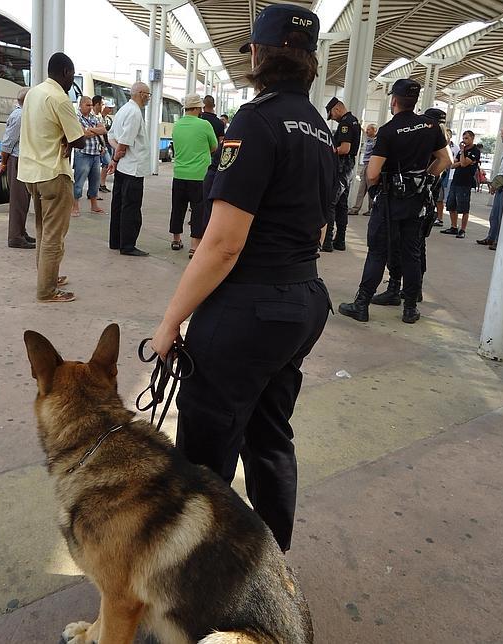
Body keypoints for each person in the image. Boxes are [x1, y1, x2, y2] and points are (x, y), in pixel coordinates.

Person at [151, 4, 335, 553]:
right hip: (302, 301)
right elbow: (321, 229)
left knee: (204, 456)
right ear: (310, 61)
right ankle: (272, 565)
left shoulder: (254, 122)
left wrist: (169, 322)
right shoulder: (322, 131)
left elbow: (224, 243)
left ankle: (199, 582)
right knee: (270, 436)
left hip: (249, 309)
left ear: (257, 54)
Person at [338, 78, 451, 324]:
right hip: (416, 202)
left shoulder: (388, 131)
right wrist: (421, 178)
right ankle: (410, 308)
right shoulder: (430, 126)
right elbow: (445, 161)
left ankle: (362, 304)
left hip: (389, 202)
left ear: (394, 101)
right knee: (411, 252)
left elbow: (372, 173)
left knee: (378, 252)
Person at [18, 52, 85, 303]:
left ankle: (47, 276)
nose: (71, 82)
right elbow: (78, 138)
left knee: (42, 229)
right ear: (66, 72)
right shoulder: (59, 98)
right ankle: (46, 290)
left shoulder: (33, 93)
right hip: (53, 174)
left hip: (30, 174)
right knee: (54, 236)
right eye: (72, 76)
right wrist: (72, 137)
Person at [371, 107, 449, 306]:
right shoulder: (437, 137)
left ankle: (396, 289)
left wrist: (423, 179)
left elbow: (373, 173)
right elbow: (446, 160)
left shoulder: (423, 136)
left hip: (409, 200)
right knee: (415, 250)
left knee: (398, 247)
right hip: (422, 201)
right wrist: (426, 180)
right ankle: (412, 294)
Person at [169, 93, 218, 256]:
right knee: (198, 210)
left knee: (177, 208)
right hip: (199, 175)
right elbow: (214, 146)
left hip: (179, 174)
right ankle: (194, 246)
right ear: (198, 108)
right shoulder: (204, 125)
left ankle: (176, 239)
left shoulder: (177, 125)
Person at [106, 82, 151, 256]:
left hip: (124, 167)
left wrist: (116, 157)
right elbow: (125, 141)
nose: (148, 97)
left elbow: (111, 137)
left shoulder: (123, 110)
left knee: (118, 204)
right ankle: (128, 245)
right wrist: (117, 156)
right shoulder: (134, 112)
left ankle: (115, 241)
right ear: (140, 94)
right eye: (148, 94)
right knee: (131, 207)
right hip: (133, 167)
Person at [321, 96, 361, 251]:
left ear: (337, 109)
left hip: (342, 167)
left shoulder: (345, 123)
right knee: (342, 205)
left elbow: (345, 148)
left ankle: (328, 241)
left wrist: (330, 150)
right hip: (349, 168)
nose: (333, 119)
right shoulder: (354, 120)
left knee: (331, 203)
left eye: (332, 115)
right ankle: (340, 240)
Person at [0, 87, 34, 249]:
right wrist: (3, 162)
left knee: (24, 199)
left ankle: (21, 232)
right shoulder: (19, 116)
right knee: (18, 200)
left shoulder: (24, 115)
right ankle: (15, 237)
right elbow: (7, 143)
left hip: (22, 159)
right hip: (17, 160)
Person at [476, 125, 503, 251]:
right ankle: (491, 237)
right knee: (494, 215)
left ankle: (499, 240)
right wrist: (495, 183)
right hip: (501, 184)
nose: (501, 136)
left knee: (501, 216)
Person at [440, 129, 480, 239]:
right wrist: (461, 161)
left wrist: (462, 153)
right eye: (463, 138)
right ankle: (453, 227)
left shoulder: (475, 151)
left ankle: (463, 229)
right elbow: (453, 165)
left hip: (465, 182)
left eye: (467, 138)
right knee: (451, 205)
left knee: (463, 207)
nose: (464, 140)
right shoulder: (462, 151)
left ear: (472, 138)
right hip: (456, 180)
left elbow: (462, 163)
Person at [72, 95, 107, 216]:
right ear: (80, 105)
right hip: (83, 154)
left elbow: (103, 130)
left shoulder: (94, 117)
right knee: (79, 181)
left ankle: (94, 205)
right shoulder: (76, 117)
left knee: (95, 181)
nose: (90, 107)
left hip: (95, 154)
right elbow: (83, 133)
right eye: (87, 105)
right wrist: (93, 130)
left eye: (91, 105)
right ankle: (75, 206)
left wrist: (90, 130)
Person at [348, 123, 377, 216]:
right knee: (361, 189)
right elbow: (364, 132)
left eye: (369, 129)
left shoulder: (377, 141)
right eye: (367, 129)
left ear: (374, 131)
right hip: (365, 166)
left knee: (371, 189)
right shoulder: (368, 139)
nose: (367, 131)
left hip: (371, 165)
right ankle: (356, 208)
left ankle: (372, 209)